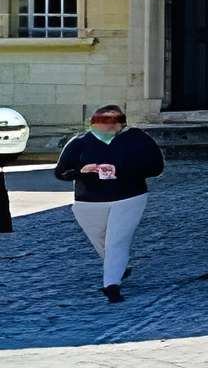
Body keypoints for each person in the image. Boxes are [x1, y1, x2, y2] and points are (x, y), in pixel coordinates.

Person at [51, 104, 165, 302]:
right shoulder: (79, 142)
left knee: (116, 241)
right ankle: (118, 267)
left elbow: (156, 167)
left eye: (112, 122)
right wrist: (81, 172)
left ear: (121, 123)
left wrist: (123, 170)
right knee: (102, 241)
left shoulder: (137, 139)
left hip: (129, 196)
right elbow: (60, 172)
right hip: (88, 202)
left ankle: (111, 285)